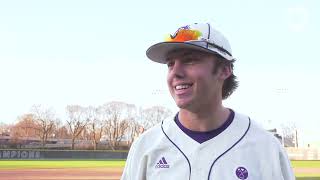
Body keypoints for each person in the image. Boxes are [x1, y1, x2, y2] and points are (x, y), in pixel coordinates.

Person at [121, 23, 294, 180]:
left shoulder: (265, 147)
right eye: (170, 64)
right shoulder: (146, 146)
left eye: (189, 60)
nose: (175, 72)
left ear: (224, 70)